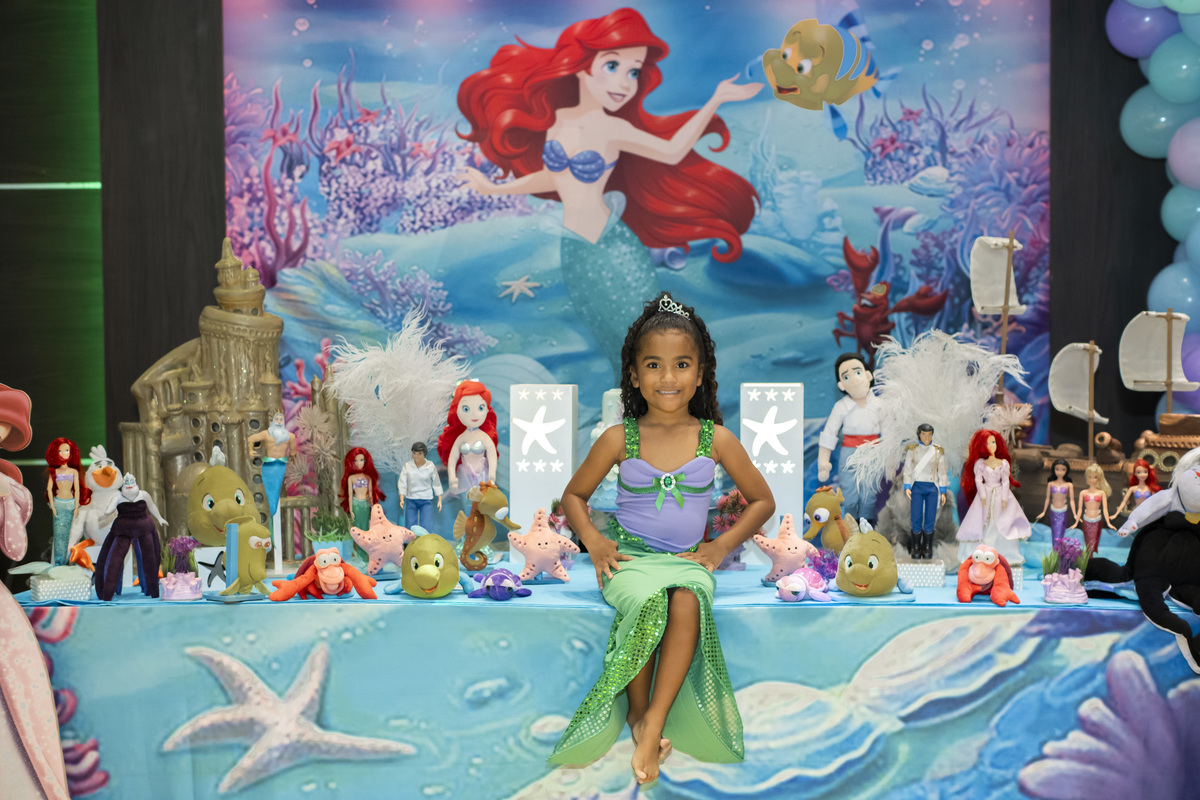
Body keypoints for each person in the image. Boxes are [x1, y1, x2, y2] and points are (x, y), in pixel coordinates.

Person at [457, 8, 761, 371]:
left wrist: (716, 99)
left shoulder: (611, 128)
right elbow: (555, 178)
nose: (625, 82)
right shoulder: (559, 122)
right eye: (613, 66)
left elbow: (671, 151)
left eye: (633, 71)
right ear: (582, 66)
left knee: (642, 339)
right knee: (608, 337)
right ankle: (625, 405)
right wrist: (495, 188)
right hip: (575, 250)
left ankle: (655, 402)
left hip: (612, 247)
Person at [551, 292, 774, 785]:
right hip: (630, 560)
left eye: (681, 365)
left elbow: (762, 500)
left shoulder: (715, 439)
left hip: (689, 561)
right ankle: (636, 717)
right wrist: (594, 542)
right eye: (653, 365)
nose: (668, 377)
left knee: (687, 598)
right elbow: (573, 496)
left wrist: (720, 546)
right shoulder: (619, 437)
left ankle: (652, 720)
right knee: (651, 599)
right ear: (633, 375)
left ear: (700, 374)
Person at [817, 353, 883, 524]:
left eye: (858, 372)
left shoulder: (880, 405)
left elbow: (890, 431)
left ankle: (867, 528)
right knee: (850, 494)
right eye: (846, 376)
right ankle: (850, 528)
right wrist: (823, 463)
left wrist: (890, 461)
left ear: (868, 375)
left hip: (873, 452)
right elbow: (829, 434)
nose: (853, 379)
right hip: (849, 453)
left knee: (869, 493)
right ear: (841, 384)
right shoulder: (841, 407)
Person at [956, 429, 1030, 567]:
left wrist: (1004, 498)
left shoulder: (1003, 463)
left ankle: (1005, 554)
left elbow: (1005, 481)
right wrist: (983, 495)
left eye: (993, 442)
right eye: (988, 443)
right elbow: (978, 480)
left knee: (1002, 522)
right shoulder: (980, 463)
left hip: (1000, 493)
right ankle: (979, 553)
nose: (991, 446)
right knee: (982, 522)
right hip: (985, 494)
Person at [436, 380, 499, 502]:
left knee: (480, 506)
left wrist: (492, 477)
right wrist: (452, 478)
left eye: (480, 408)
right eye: (466, 409)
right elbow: (453, 458)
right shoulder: (460, 438)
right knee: (467, 504)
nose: (473, 414)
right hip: (463, 476)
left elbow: (492, 457)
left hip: (482, 475)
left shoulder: (485, 437)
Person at [901, 423, 949, 559]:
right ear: (919, 435)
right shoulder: (912, 450)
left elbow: (942, 472)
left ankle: (927, 546)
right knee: (915, 516)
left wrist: (943, 490)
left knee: (930, 517)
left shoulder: (937, 451)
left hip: (932, 487)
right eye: (924, 434)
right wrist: (907, 487)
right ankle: (916, 547)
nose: (927, 437)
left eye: (929, 435)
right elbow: (907, 470)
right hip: (916, 487)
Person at [44, 438, 90, 566]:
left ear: (71, 453)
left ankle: (68, 561)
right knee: (59, 535)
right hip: (58, 503)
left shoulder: (74, 472)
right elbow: (49, 489)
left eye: (66, 450)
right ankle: (58, 563)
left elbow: (77, 489)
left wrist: (76, 506)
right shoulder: (54, 472)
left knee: (71, 535)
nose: (63, 453)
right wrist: (53, 506)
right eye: (60, 451)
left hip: (71, 503)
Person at [1071, 463, 1113, 557]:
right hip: (1086, 521)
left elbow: (1105, 509)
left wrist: (1108, 522)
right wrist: (1076, 522)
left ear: (1099, 478)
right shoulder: (1083, 492)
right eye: (1090, 477)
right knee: (1088, 543)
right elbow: (1080, 509)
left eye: (1095, 477)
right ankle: (1089, 560)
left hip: (1097, 521)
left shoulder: (1101, 493)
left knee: (1092, 543)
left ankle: (1090, 560)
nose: (1092, 480)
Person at [398, 442, 443, 531]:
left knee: (426, 525)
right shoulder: (407, 466)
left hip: (426, 499)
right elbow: (402, 483)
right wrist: (401, 498)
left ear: (424, 454)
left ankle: (426, 539)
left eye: (419, 453)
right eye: (414, 453)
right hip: (411, 499)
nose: (416, 456)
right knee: (410, 525)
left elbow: (436, 483)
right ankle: (410, 540)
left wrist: (440, 499)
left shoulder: (430, 466)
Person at [1034, 458, 1075, 548]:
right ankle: (1055, 551)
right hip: (1053, 512)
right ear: (1054, 470)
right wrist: (1044, 512)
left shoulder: (1069, 485)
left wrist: (1075, 514)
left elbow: (1072, 500)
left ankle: (1058, 552)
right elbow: (1047, 499)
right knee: (1054, 533)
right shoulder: (1051, 484)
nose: (1060, 472)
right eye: (1057, 469)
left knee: (1060, 533)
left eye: (1063, 469)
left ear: (1066, 470)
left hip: (1063, 513)